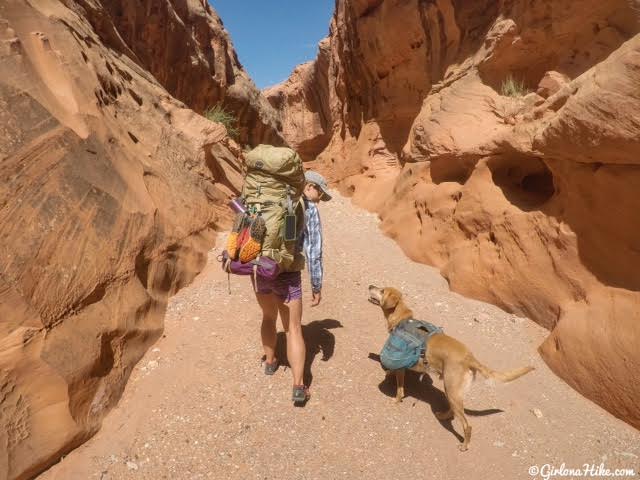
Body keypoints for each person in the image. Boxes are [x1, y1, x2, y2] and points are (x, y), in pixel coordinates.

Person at [254, 170, 331, 404]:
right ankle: (298, 385)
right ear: (309, 186)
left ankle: (270, 361)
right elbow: (314, 250)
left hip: (263, 268)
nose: (320, 199)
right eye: (320, 193)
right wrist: (316, 284)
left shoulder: (269, 197)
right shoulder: (307, 208)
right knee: (293, 329)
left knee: (268, 317)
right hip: (287, 273)